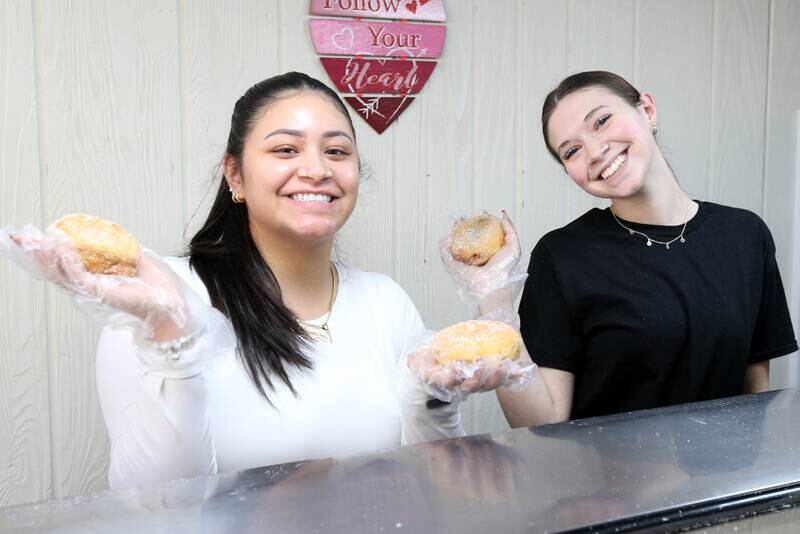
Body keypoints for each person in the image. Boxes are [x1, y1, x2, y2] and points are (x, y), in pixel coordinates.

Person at [0, 72, 521, 490]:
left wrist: (431, 395)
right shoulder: (158, 299)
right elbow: (154, 506)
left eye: (337, 152)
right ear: (235, 176)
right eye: (286, 150)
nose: (317, 169)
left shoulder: (385, 300)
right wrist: (170, 338)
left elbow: (426, 478)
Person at [490, 70, 797, 426]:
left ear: (647, 111)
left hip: (728, 479)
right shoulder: (561, 256)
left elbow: (754, 396)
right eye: (572, 150)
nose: (595, 151)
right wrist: (493, 301)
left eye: (602, 121)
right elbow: (539, 424)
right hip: (613, 480)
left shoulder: (746, 235)